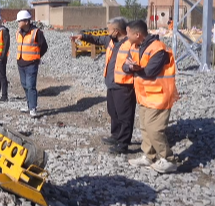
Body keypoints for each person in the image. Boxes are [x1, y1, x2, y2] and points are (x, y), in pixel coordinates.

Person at [123, 20, 179, 174]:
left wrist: (135, 68)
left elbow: (150, 71)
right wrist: (131, 68)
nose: (126, 37)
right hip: (143, 95)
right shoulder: (135, 46)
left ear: (137, 34)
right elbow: (124, 66)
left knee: (154, 129)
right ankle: (150, 156)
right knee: (145, 128)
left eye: (128, 33)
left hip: (159, 96)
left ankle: (168, 160)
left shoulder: (158, 49)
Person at [72, 17, 135, 153]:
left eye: (109, 30)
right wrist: (82, 36)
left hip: (124, 86)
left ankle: (123, 144)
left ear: (117, 31)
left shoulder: (131, 44)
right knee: (113, 112)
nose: (107, 32)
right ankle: (116, 135)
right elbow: (97, 40)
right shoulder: (111, 41)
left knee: (125, 116)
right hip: (111, 84)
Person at [16, 10, 48, 118]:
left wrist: (36, 57)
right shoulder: (18, 32)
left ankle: (33, 108)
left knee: (31, 86)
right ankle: (29, 105)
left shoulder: (36, 32)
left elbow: (44, 47)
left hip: (31, 64)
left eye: (19, 21)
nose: (18, 23)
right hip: (21, 63)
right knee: (25, 85)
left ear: (26, 21)